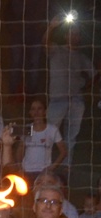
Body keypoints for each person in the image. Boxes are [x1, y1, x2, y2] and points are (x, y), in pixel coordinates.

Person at [44, 15, 95, 170]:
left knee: (71, 137)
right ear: (66, 35)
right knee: (47, 134)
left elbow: (94, 74)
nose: (74, 36)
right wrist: (52, 27)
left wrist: (85, 87)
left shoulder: (82, 57)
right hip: (57, 99)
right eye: (71, 33)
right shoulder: (56, 49)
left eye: (77, 34)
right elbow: (44, 43)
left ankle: (65, 171)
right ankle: (43, 166)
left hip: (76, 100)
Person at [16, 95, 66, 183]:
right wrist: (20, 168)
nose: (36, 112)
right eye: (33, 109)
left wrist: (51, 168)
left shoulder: (52, 129)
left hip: (44, 173)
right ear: (30, 112)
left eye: (39, 108)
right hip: (26, 172)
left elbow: (63, 152)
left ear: (45, 111)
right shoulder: (27, 128)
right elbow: (20, 150)